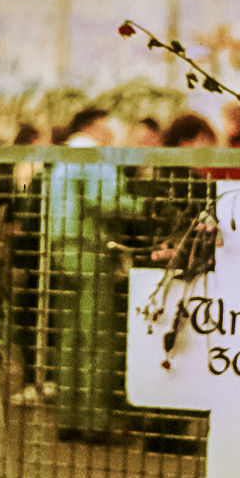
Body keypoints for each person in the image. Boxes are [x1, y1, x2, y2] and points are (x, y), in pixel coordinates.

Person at [48, 108, 139, 440]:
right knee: (96, 340)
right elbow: (106, 200)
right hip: (90, 251)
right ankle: (94, 422)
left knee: (69, 339)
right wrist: (142, 205)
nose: (112, 132)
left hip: (62, 251)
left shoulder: (63, 157)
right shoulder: (93, 155)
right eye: (107, 125)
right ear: (92, 126)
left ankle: (68, 418)